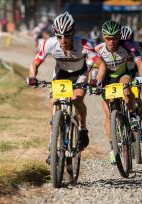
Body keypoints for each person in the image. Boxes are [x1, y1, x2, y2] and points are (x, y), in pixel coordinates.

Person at [26, 12, 107, 160]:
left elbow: (101, 65)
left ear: (73, 33)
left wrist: (96, 81)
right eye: (59, 36)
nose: (63, 40)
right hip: (61, 74)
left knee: (76, 99)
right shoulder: (49, 43)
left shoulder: (84, 44)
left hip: (79, 74)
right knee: (53, 104)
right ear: (55, 35)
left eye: (66, 36)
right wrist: (32, 77)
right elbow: (35, 63)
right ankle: (53, 146)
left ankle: (82, 129)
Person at [94, 20, 142, 164]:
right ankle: (113, 148)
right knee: (108, 114)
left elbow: (140, 63)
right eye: (108, 38)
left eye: (115, 38)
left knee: (127, 91)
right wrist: (92, 83)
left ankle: (133, 117)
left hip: (123, 75)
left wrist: (141, 78)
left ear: (119, 37)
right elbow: (91, 69)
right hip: (106, 80)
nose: (112, 41)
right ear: (103, 37)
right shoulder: (98, 49)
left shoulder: (128, 46)